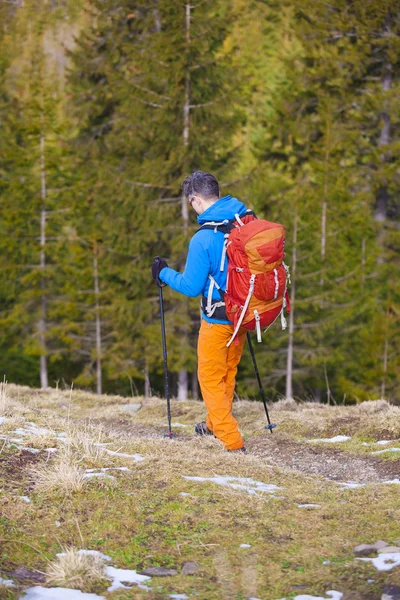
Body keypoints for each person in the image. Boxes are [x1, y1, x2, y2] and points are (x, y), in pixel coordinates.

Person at [151, 170, 249, 453]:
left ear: (194, 199)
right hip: (242, 313)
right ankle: (214, 423)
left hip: (217, 318)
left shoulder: (203, 238)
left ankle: (231, 441)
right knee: (227, 372)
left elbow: (191, 286)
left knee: (209, 378)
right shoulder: (241, 221)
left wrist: (164, 273)